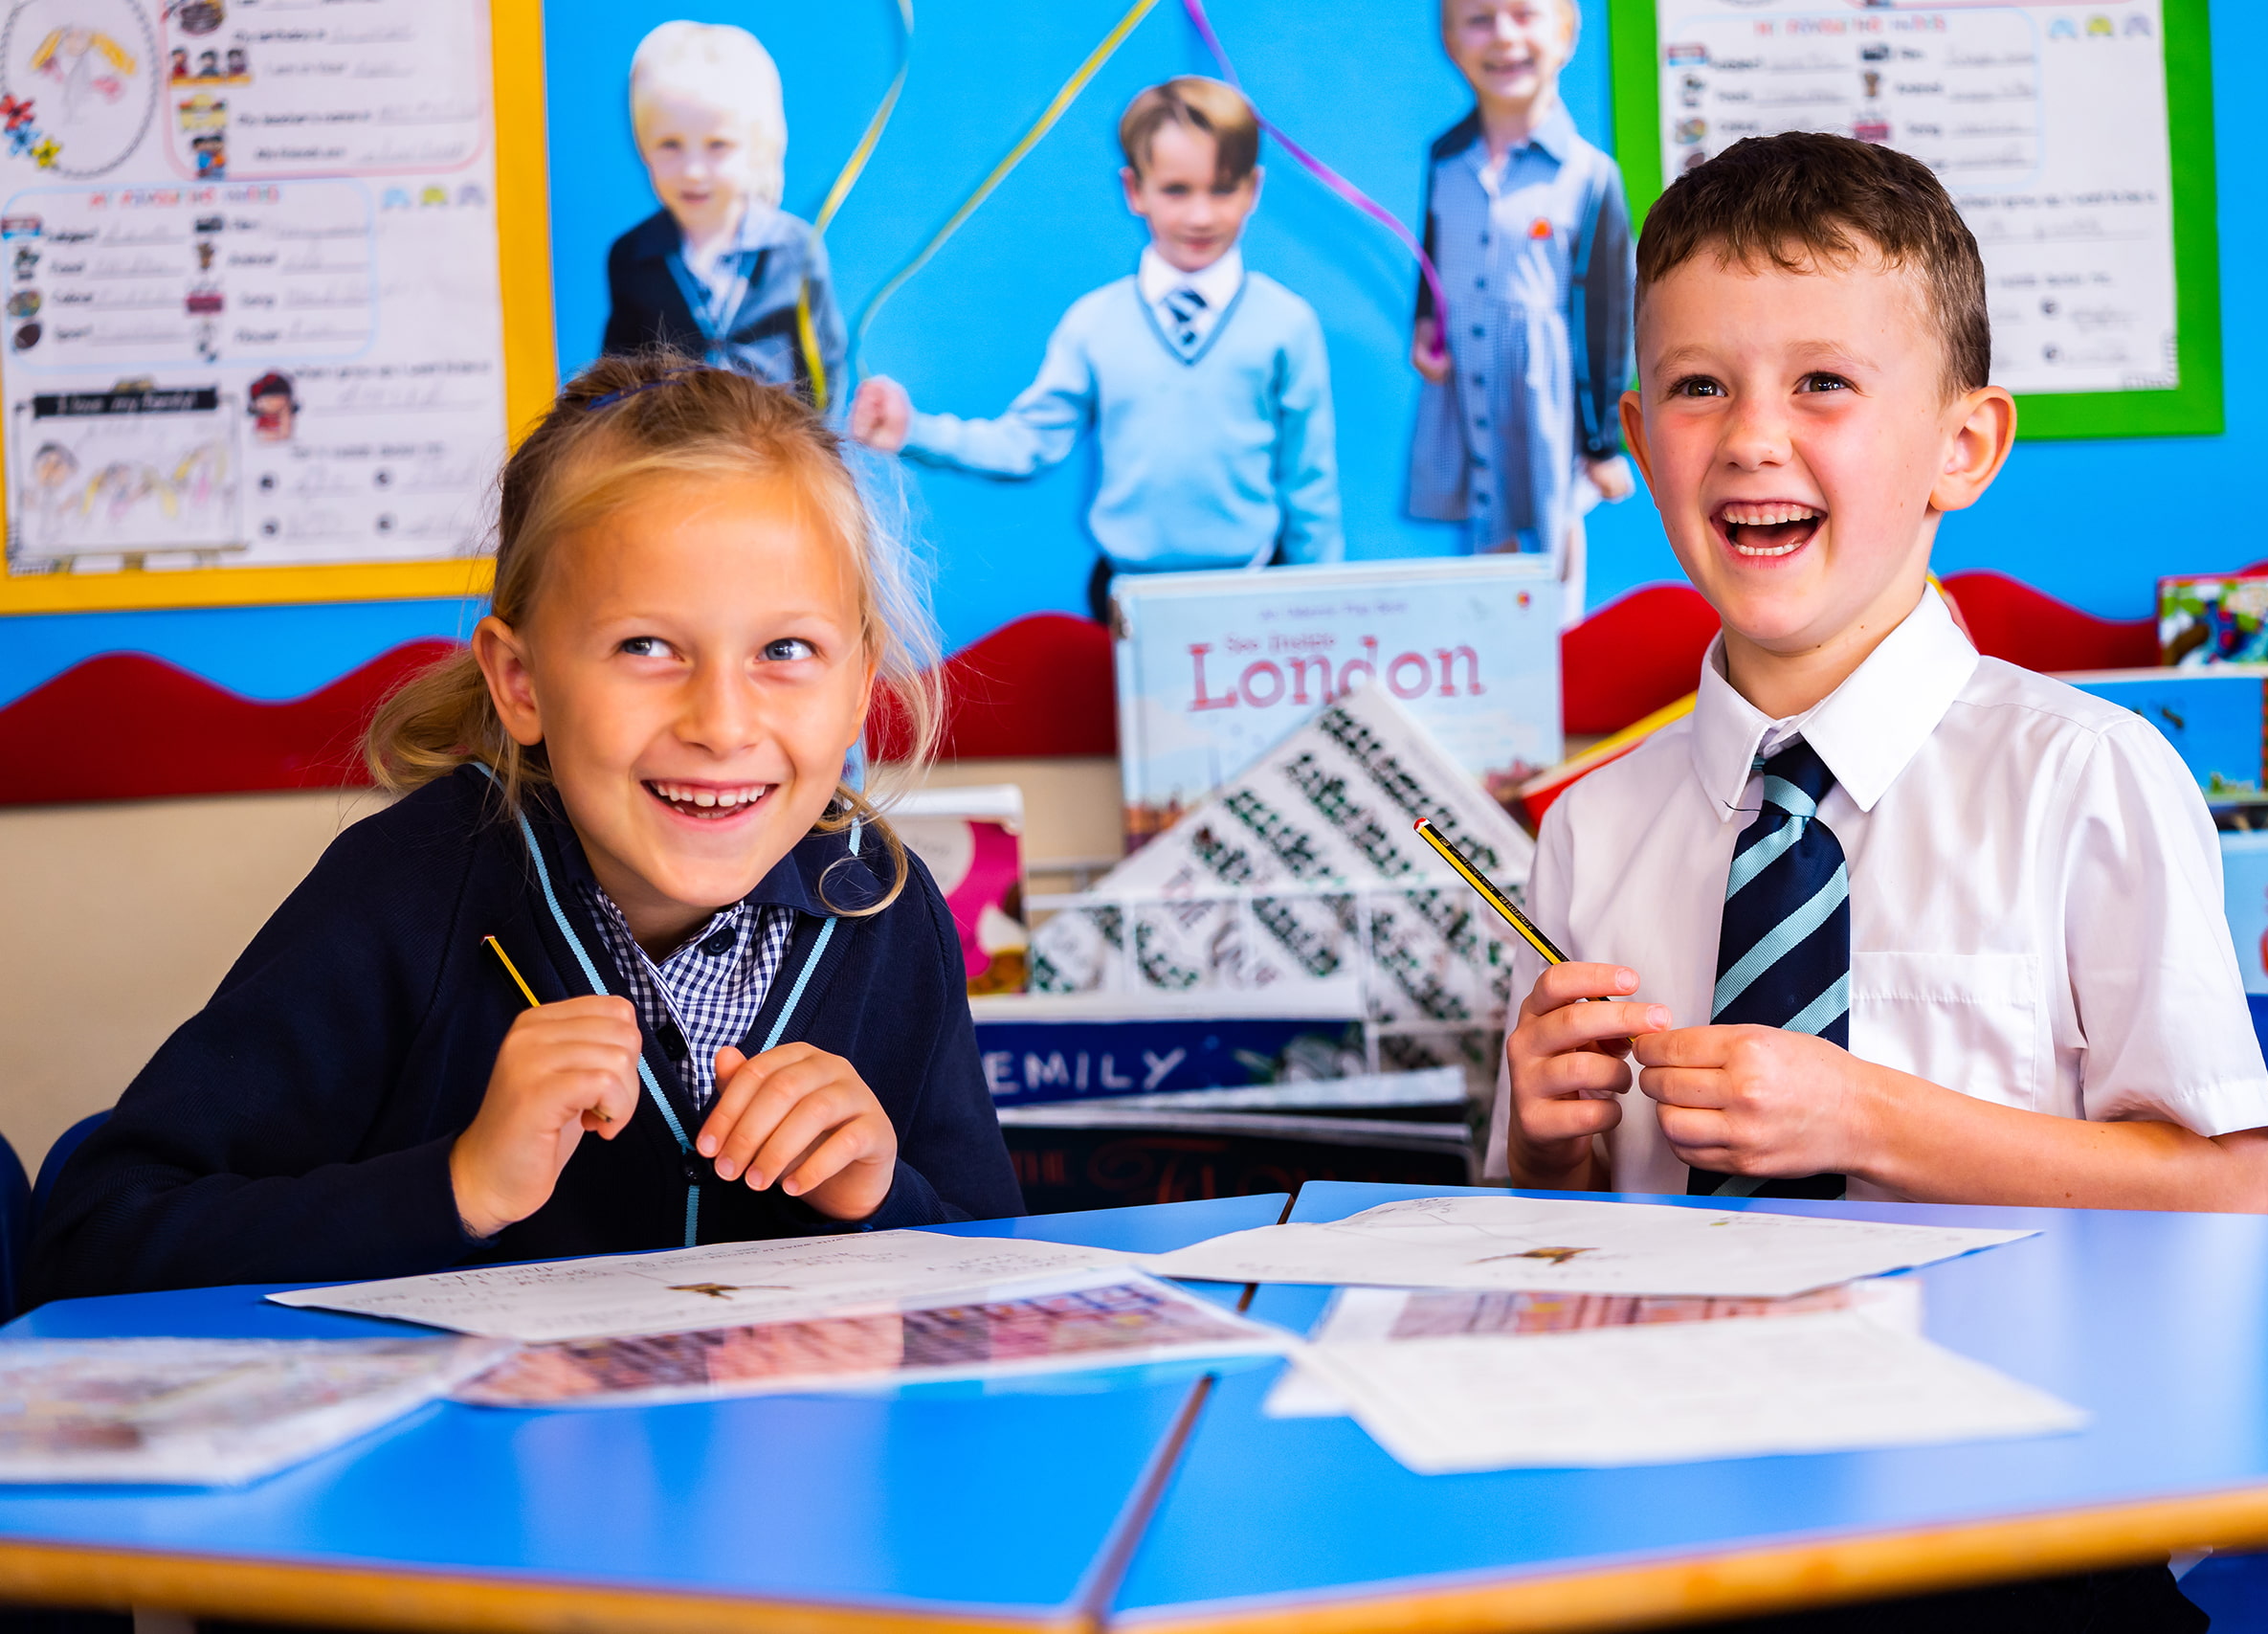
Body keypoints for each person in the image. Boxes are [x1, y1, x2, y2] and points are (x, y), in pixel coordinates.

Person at [1494, 133, 2268, 1633]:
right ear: (1635, 433)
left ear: (1964, 450)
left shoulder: (2086, 778)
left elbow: (2232, 1198)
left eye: (1824, 386)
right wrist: (1545, 1143)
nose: (1751, 439)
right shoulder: (1592, 829)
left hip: (2029, 1528)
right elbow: (1542, 1253)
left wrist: (1862, 1115)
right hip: (1666, 1519)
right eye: (1699, 386)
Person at [27, 354, 1020, 1304]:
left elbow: (996, 1276)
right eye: (645, 646)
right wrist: (457, 1186)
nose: (721, 723)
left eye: (786, 650)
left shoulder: (883, 907)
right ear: (520, 681)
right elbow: (95, 1236)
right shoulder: (406, 892)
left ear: (855, 690)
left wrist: (884, 1196)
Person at [851, 77, 1340, 624]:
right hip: (1127, 604)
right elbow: (1027, 444)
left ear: (1252, 189)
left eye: (1222, 189)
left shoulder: (1286, 323)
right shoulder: (1094, 324)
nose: (1200, 215)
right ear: (1135, 190)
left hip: (1254, 595)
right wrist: (914, 431)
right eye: (1177, 190)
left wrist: (1318, 612)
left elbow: (1309, 484)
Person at [1407, 0, 1634, 626]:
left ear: (1565, 34)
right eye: (1479, 19)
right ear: (1451, 40)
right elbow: (1431, 250)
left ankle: (1561, 642)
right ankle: (1491, 642)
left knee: (1552, 512)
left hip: (1547, 389)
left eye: (1523, 14)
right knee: (1487, 505)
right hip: (1470, 375)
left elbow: (1609, 312)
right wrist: (1426, 324)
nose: (1503, 36)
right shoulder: (1445, 159)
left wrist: (1600, 440)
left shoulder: (1590, 175)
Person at [602, 22, 848, 413]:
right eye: (670, 145)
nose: (693, 171)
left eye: (718, 145)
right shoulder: (631, 256)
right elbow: (616, 373)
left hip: (772, 458)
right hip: (672, 454)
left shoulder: (795, 249)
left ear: (758, 147)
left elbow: (826, 367)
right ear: (643, 144)